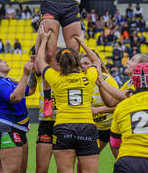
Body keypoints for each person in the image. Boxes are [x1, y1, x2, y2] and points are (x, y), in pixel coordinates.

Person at [36, 26, 100, 173]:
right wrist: (83, 43)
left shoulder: (56, 79)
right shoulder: (88, 77)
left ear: (59, 63)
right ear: (77, 61)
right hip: (86, 126)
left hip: (64, 127)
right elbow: (96, 61)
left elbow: (40, 61)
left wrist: (44, 40)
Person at [0, 56, 35, 173]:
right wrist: (25, 74)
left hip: (19, 128)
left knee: (21, 170)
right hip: (7, 127)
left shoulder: (9, 81)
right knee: (12, 170)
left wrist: (34, 72)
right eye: (1, 61)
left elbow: (30, 90)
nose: (5, 61)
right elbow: (15, 98)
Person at [76, 36, 119, 158]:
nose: (83, 66)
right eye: (81, 64)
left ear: (95, 65)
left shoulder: (107, 79)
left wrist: (98, 110)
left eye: (86, 63)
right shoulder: (81, 82)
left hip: (113, 127)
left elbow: (120, 106)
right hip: (95, 129)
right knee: (86, 160)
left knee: (121, 161)